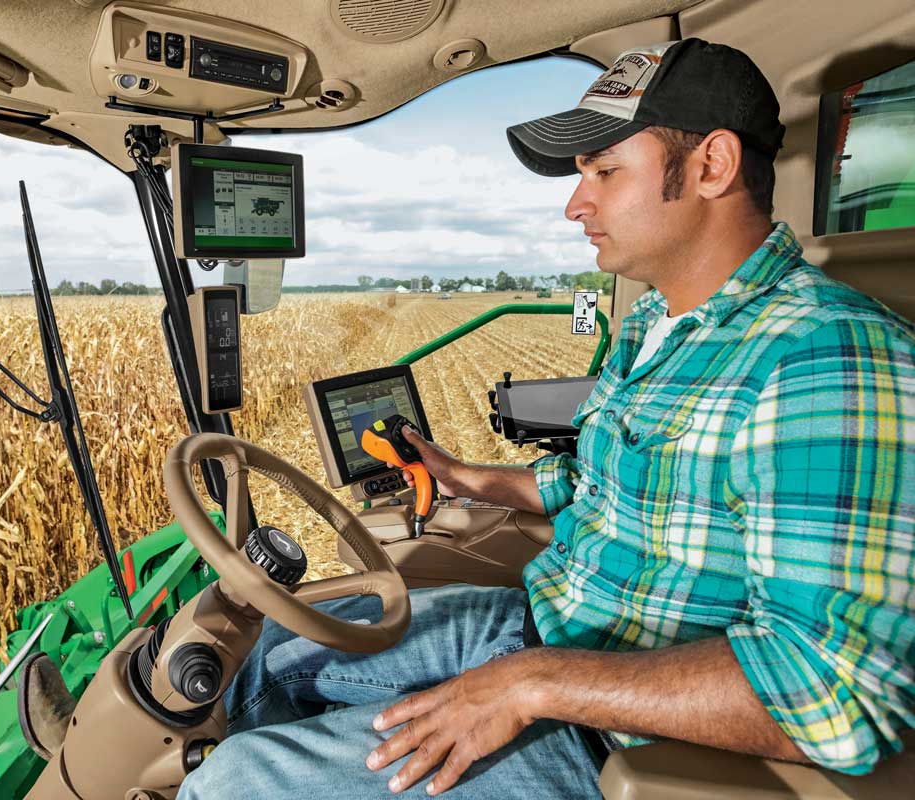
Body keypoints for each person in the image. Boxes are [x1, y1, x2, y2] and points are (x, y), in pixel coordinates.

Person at [178, 38, 914, 799]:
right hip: (549, 627)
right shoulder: (659, 318)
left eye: (604, 171)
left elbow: (840, 698)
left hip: (622, 739)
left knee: (233, 782)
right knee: (273, 649)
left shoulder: (825, 358)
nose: (576, 203)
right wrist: (471, 480)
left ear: (712, 167)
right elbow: (610, 485)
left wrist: (532, 685)